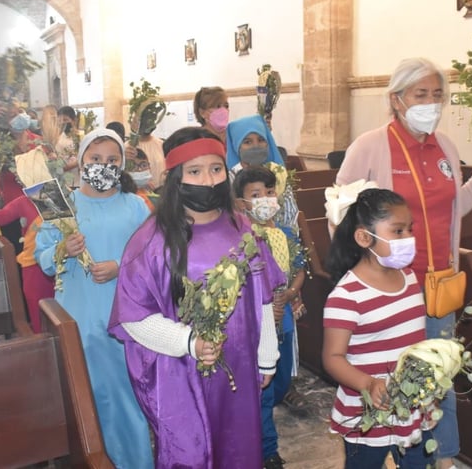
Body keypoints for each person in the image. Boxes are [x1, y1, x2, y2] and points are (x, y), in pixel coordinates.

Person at [334, 57, 472, 469]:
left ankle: (441, 459)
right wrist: (366, 275)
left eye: (438, 95)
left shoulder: (445, 145)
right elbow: (339, 214)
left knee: (439, 380)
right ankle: (381, 451)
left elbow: (456, 208)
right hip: (391, 292)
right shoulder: (370, 145)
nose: (431, 103)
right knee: (389, 377)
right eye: (421, 95)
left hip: (438, 288)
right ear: (397, 99)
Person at [108, 126, 284, 469]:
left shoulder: (243, 228)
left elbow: (262, 298)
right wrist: (188, 340)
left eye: (216, 169)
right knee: (190, 453)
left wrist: (266, 355)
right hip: (182, 374)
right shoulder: (152, 241)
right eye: (195, 171)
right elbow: (133, 316)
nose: (208, 180)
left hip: (239, 370)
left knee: (239, 448)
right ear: (175, 177)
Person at [35, 128, 153, 468]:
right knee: (85, 396)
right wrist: (62, 248)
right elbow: (41, 256)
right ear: (81, 162)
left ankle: (134, 461)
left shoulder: (135, 205)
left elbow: (151, 254)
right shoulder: (59, 201)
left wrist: (119, 266)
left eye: (112, 160)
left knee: (125, 397)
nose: (104, 166)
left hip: (124, 316)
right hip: (79, 317)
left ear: (123, 163)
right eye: (96, 159)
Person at [323, 187, 434, 469]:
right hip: (366, 410)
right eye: (397, 232)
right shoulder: (347, 296)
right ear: (363, 237)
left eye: (410, 229)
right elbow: (333, 358)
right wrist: (368, 384)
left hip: (411, 404)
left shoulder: (408, 278)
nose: (408, 238)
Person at [233, 166, 307, 469]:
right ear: (241, 203)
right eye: (255, 194)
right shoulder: (241, 237)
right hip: (257, 325)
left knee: (277, 385)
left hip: (284, 322)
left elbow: (300, 269)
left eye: (269, 192)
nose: (265, 198)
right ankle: (267, 449)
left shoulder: (286, 234)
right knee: (261, 391)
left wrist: (290, 293)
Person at [0, 191, 55, 333]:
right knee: (39, 315)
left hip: (61, 265)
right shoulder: (23, 201)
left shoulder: (60, 197)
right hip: (33, 266)